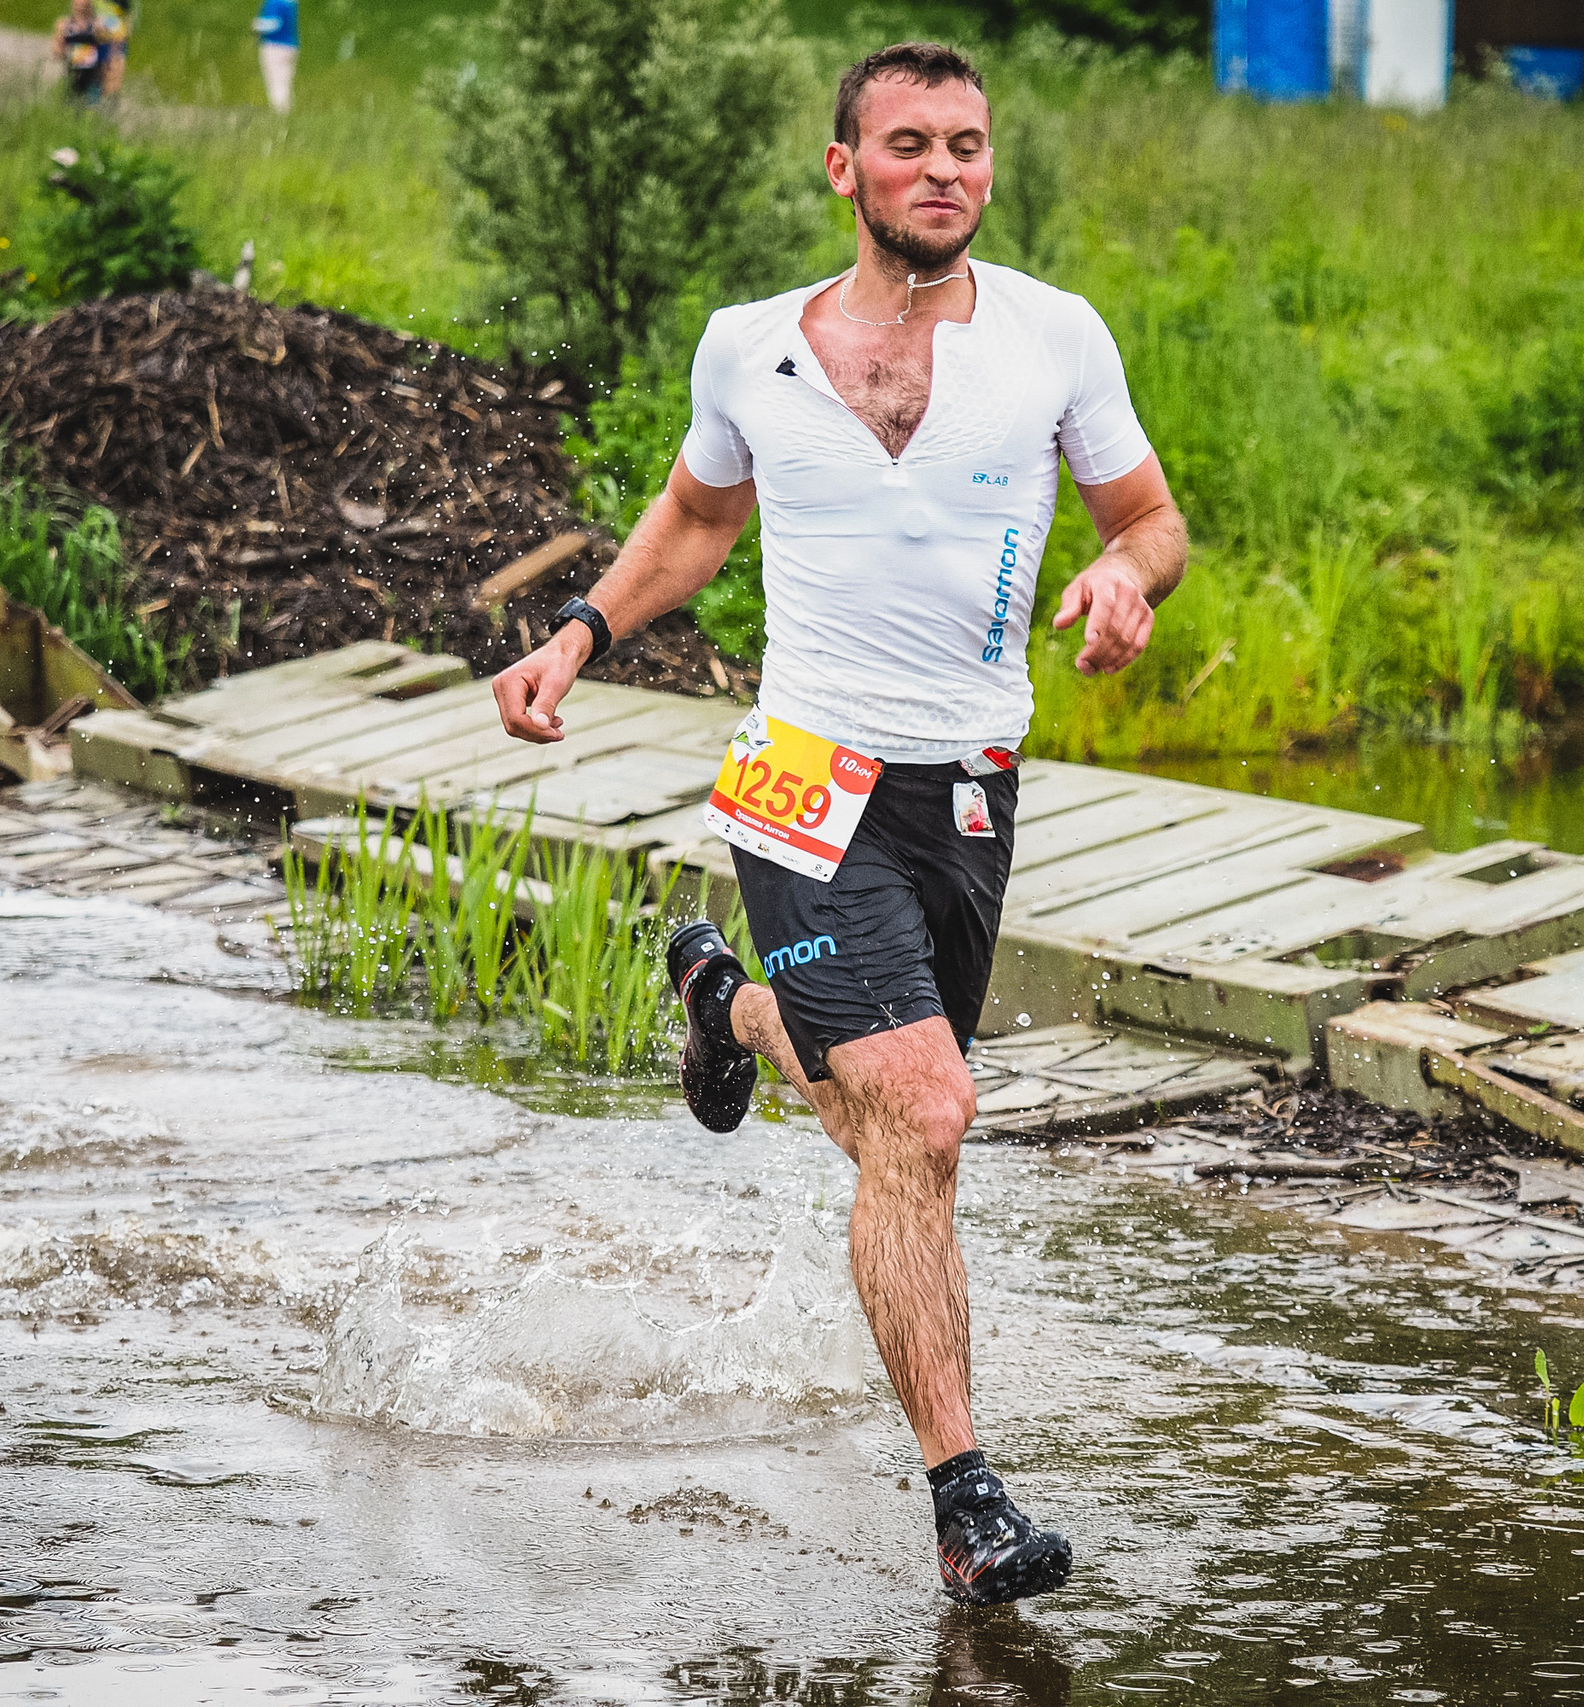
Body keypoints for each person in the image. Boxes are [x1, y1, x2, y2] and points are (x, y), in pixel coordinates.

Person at [490, 42, 1186, 1605]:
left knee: (875, 1111)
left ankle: (720, 1000)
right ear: (844, 169)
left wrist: (1127, 573)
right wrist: (578, 635)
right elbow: (696, 519)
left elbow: (1149, 513)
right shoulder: (751, 349)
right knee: (926, 1113)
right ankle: (967, 1499)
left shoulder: (1055, 338)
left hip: (970, 781)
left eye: (970, 145)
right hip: (808, 778)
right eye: (911, 144)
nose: (946, 170)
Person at [52, 0, 109, 104]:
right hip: (73, 71)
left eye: (85, 2)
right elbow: (58, 48)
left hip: (94, 74)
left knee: (91, 105)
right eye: (78, 2)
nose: (82, 5)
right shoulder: (64, 24)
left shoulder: (98, 23)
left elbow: (105, 49)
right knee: (72, 102)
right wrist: (60, 51)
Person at [251, 0, 297, 115]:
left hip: (274, 46)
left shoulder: (274, 2)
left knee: (275, 83)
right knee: (285, 83)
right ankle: (289, 114)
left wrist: (257, 25)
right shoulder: (291, 3)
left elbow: (273, 24)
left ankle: (280, 116)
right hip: (290, 46)